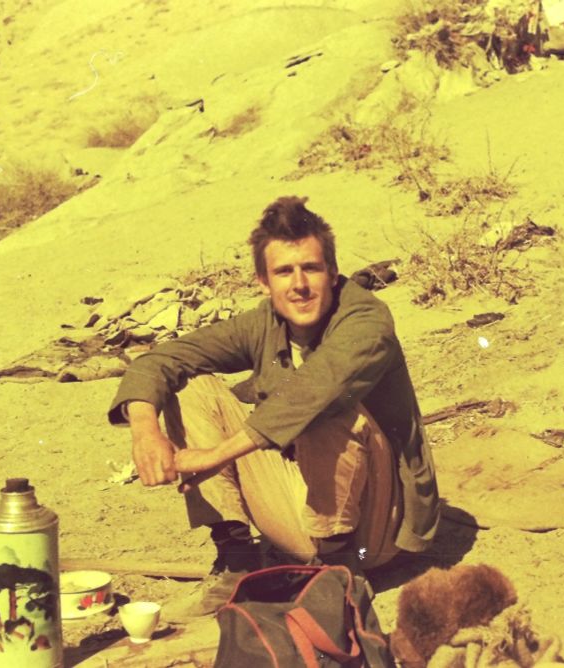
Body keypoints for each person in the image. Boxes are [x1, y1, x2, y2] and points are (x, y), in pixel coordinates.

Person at [106, 195, 440, 615]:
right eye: (284, 271)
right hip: (299, 501)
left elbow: (315, 390)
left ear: (333, 273)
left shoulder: (367, 320)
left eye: (311, 269)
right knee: (188, 385)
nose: (299, 285)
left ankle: (337, 572)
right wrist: (145, 432)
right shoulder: (265, 321)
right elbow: (163, 359)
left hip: (372, 533)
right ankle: (236, 556)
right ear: (264, 282)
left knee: (327, 409)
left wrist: (214, 456)